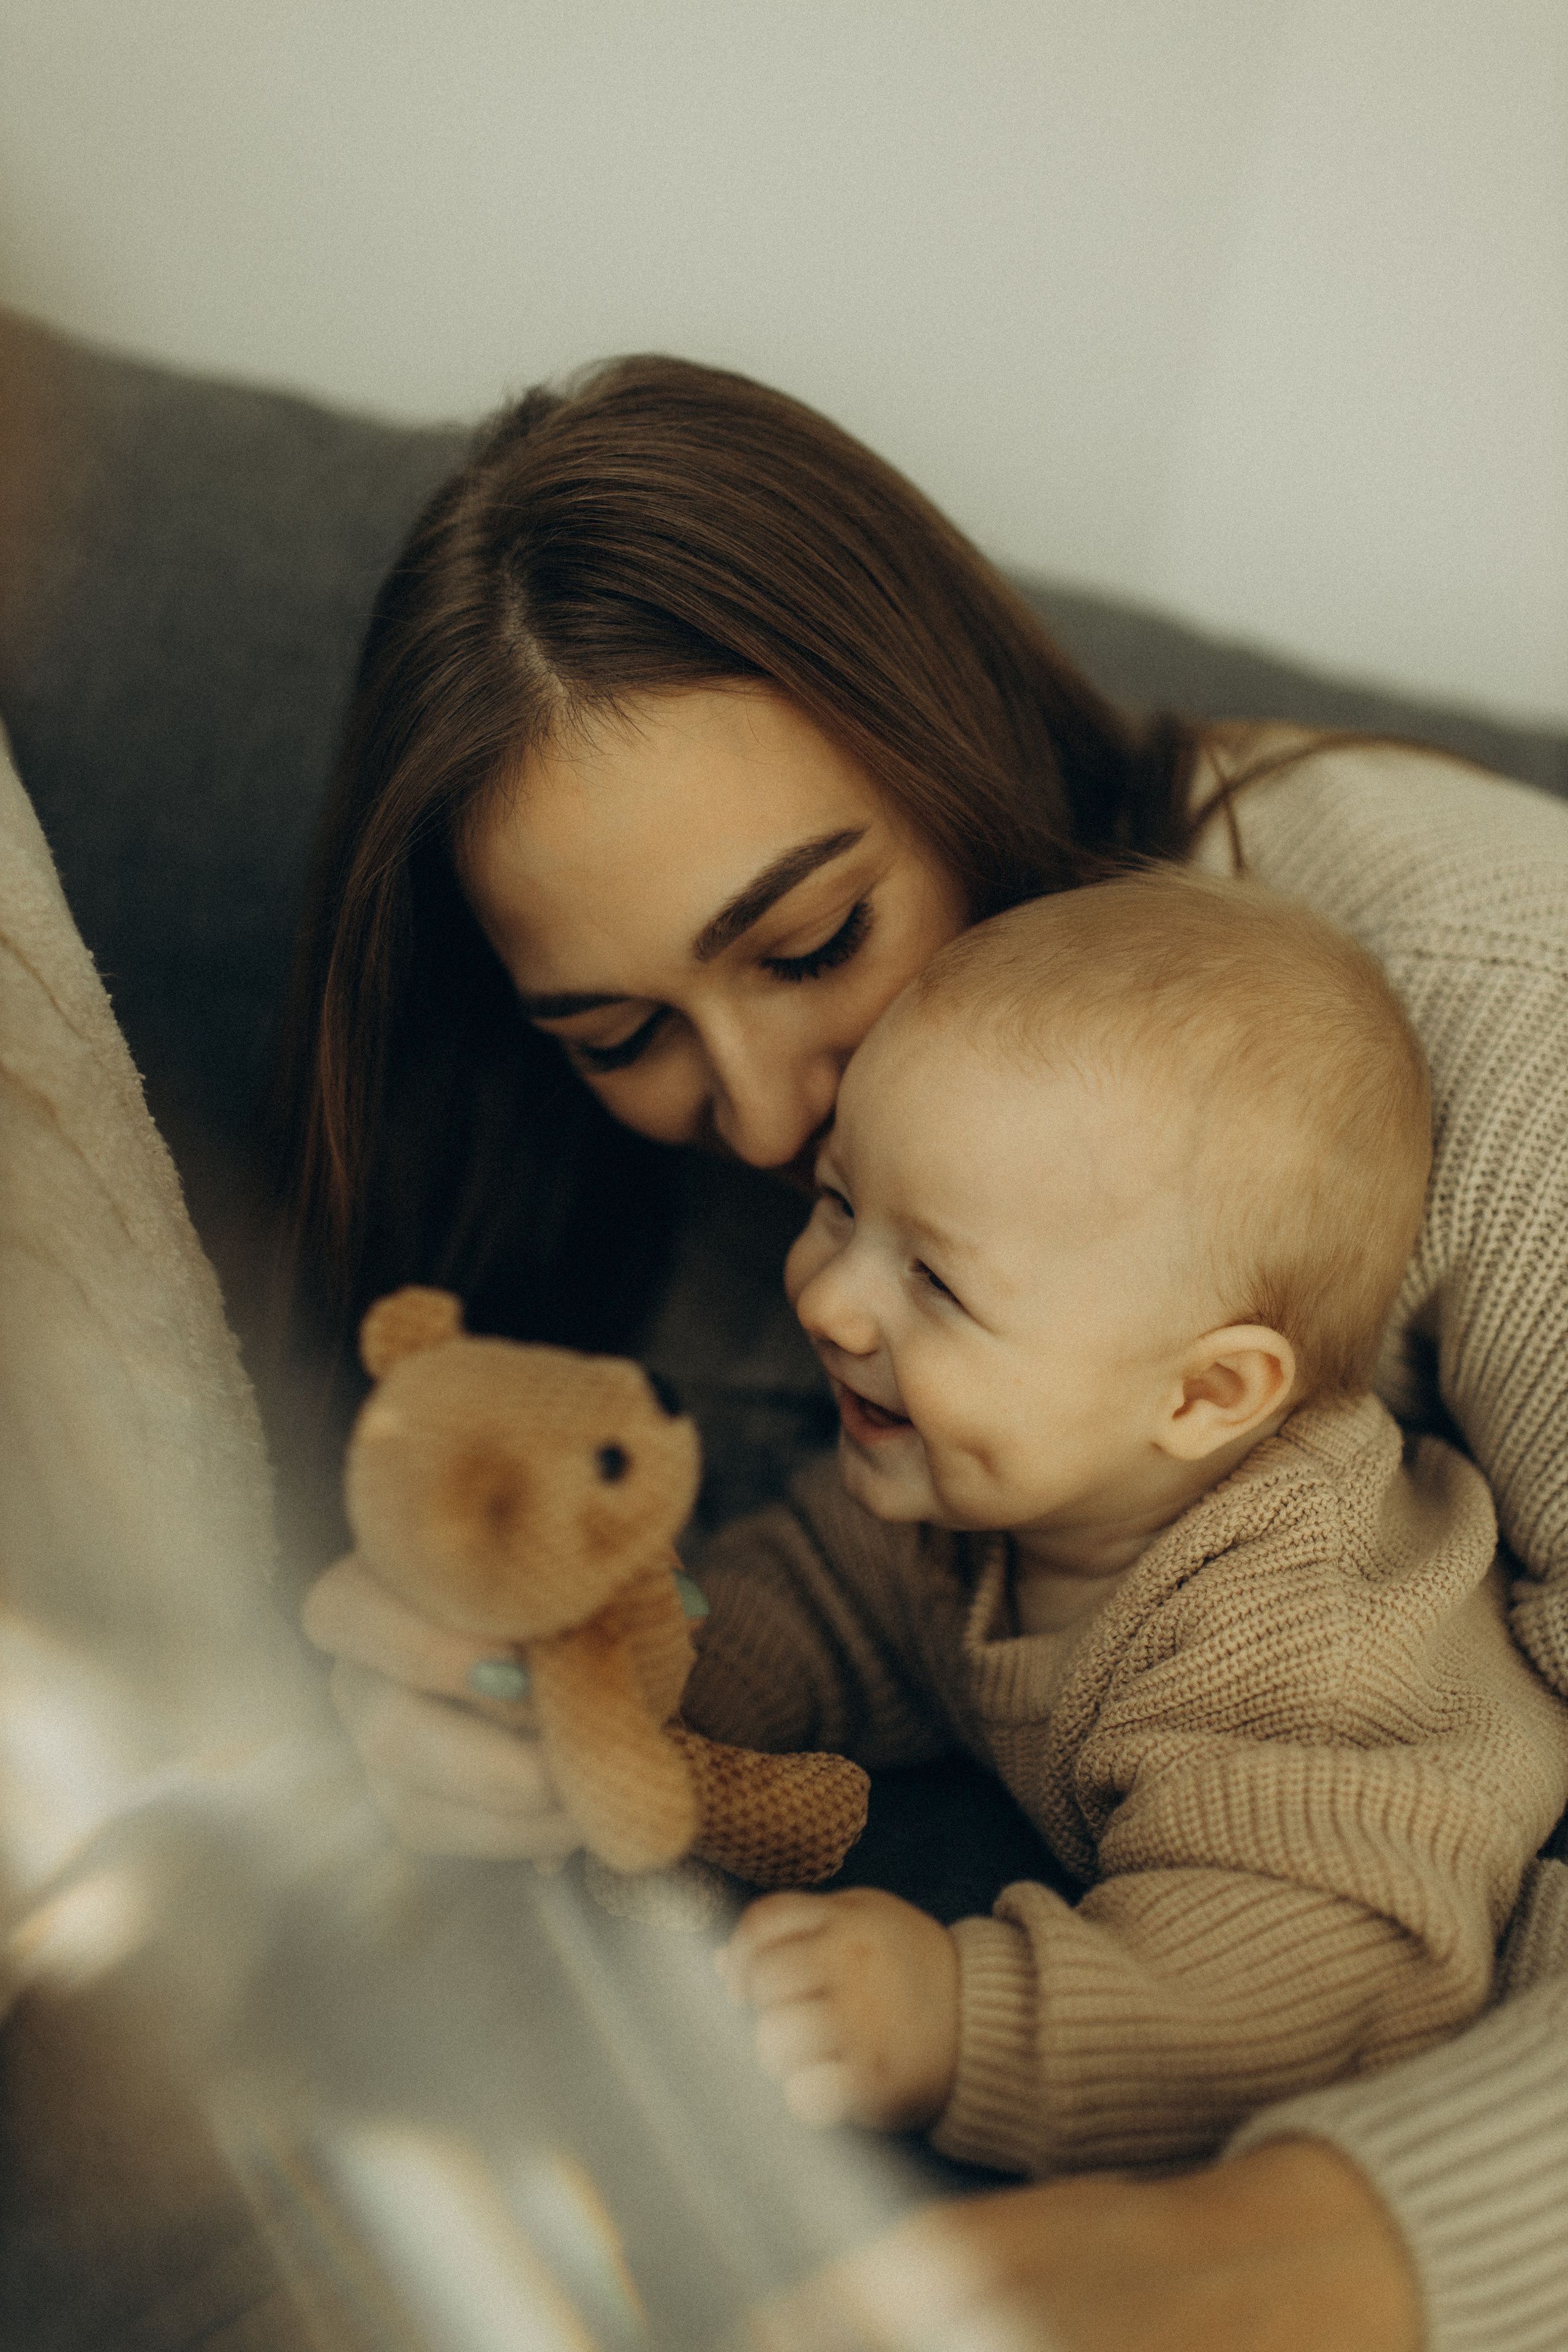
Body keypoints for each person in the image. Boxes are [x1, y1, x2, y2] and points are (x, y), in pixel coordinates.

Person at [282, 355, 1568, 2351]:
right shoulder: (790, 1201)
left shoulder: (1505, 1018)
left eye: (810, 945)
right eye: (619, 1037)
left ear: (955, 741)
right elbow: (811, 1573)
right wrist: (539, 1665)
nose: (773, 1114)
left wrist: (1304, 2254)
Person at [698, 872, 1568, 2170]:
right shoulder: (979, 1474)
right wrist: (661, 1674)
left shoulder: (1306, 1652)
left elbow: (1303, 1996)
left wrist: (956, 2018)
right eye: (836, 1204)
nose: (830, 1303)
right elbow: (822, 1587)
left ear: (1204, 1394)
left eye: (933, 1277)